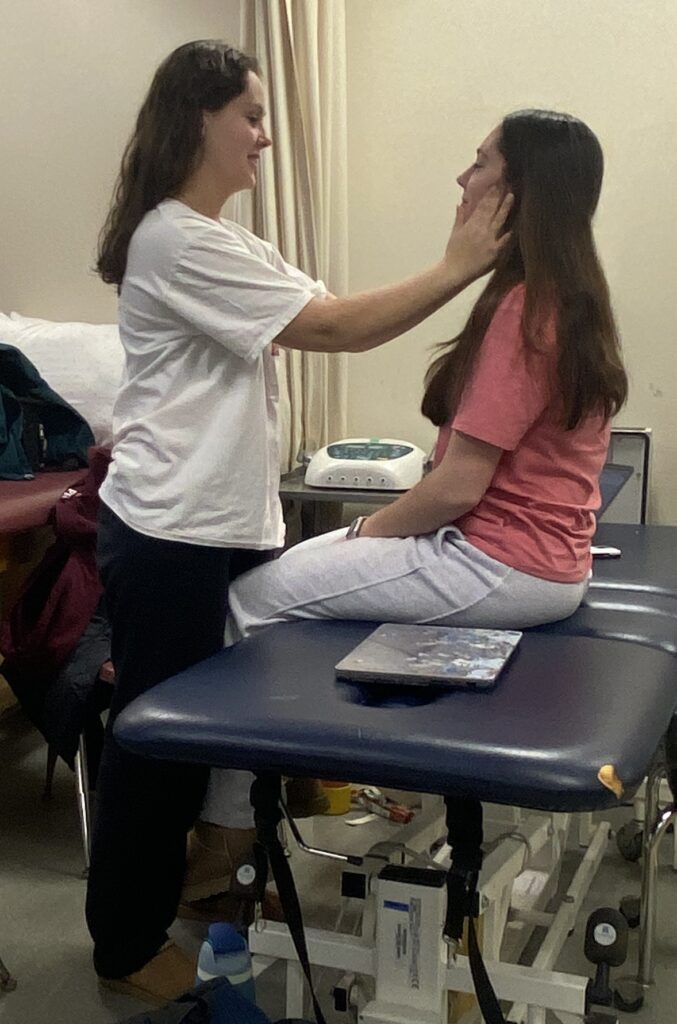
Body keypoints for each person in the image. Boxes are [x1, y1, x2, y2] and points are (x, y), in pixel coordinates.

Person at [86, 39, 510, 1005]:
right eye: (251, 116)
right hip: (168, 532)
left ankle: (199, 886)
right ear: (198, 120)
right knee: (155, 745)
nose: (266, 138)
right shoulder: (172, 238)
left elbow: (322, 305)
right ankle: (122, 942)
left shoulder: (225, 236)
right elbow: (337, 327)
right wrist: (459, 264)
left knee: (211, 735)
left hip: (219, 522)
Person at [223, 109, 628, 650]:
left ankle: (254, 732)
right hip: (536, 563)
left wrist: (367, 531)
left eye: (481, 163)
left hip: (500, 565)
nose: (463, 179)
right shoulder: (568, 295)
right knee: (299, 558)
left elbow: (458, 487)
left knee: (250, 596)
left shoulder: (528, 310)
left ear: (516, 192)